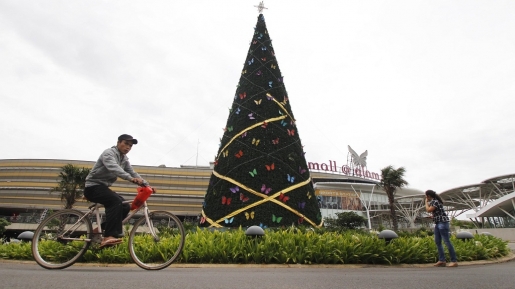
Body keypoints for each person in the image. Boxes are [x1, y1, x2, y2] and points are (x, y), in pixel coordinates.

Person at [84, 134, 148, 248]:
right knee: (114, 201)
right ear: (118, 142)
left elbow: (132, 172)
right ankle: (108, 236)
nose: (128, 147)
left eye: (130, 146)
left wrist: (147, 185)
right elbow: (114, 167)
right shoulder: (109, 153)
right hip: (92, 187)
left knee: (125, 206)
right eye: (126, 143)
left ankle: (99, 230)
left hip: (103, 188)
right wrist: (131, 179)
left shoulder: (124, 159)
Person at [425, 189, 458, 267]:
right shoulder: (436, 201)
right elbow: (438, 212)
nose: (426, 197)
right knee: (438, 242)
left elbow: (428, 210)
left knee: (446, 241)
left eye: (426, 196)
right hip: (438, 223)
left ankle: (454, 261)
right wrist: (433, 216)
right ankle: (442, 260)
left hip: (442, 223)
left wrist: (426, 202)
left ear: (428, 196)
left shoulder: (435, 201)